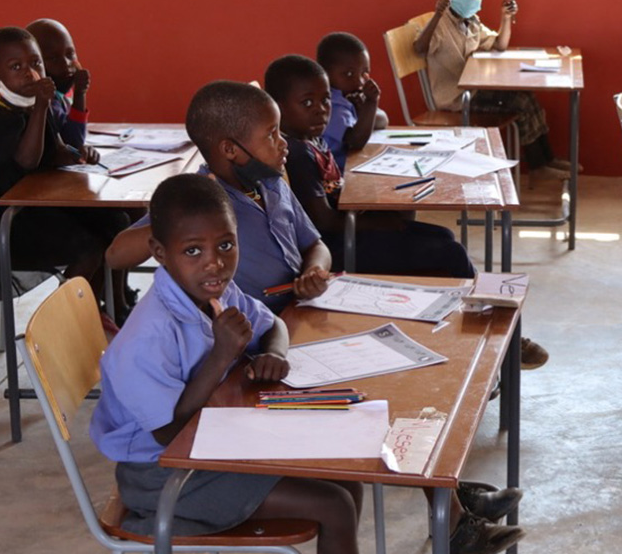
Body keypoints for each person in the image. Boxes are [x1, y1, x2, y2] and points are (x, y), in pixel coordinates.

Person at [90, 174, 364, 554]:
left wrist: (273, 353)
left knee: (347, 478)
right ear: (159, 251)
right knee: (334, 504)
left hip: (213, 444)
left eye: (225, 245)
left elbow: (274, 325)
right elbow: (169, 434)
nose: (214, 264)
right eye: (193, 251)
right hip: (163, 476)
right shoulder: (146, 338)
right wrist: (221, 355)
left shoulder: (214, 291)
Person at [0, 26, 129, 326]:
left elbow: (54, 151)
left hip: (34, 208)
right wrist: (41, 107)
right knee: (88, 248)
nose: (29, 73)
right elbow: (27, 160)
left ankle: (104, 307)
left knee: (115, 222)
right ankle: (66, 324)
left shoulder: (37, 110)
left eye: (36, 64)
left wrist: (78, 153)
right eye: (16, 67)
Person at [105, 81, 332, 313]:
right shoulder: (200, 199)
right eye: (271, 135)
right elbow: (116, 256)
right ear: (230, 150)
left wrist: (313, 270)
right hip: (248, 327)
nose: (284, 143)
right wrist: (178, 222)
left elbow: (315, 244)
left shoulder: (272, 183)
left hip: (300, 309)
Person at [264, 54, 476, 279]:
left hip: (349, 231)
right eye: (307, 102)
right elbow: (325, 221)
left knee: (444, 235)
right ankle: (479, 308)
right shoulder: (295, 154)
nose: (320, 110)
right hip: (334, 248)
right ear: (277, 108)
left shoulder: (311, 138)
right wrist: (382, 223)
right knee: (453, 253)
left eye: (325, 100)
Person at [413, 0, 571, 182]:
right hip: (457, 99)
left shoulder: (472, 22)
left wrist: (505, 18)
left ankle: (547, 158)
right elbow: (420, 49)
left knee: (527, 97)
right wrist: (438, 14)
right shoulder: (438, 23)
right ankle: (537, 167)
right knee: (521, 102)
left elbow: (499, 44)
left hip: (473, 89)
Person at [317, 32, 389, 171]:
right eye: (348, 74)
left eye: (364, 73)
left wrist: (364, 109)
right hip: (336, 179)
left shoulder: (347, 97)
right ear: (325, 73)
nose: (359, 82)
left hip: (351, 167)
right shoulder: (331, 104)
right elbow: (356, 141)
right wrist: (371, 103)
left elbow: (382, 121)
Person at [26, 18, 90, 151]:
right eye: (53, 58)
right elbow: (73, 141)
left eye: (70, 54)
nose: (66, 64)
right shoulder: (44, 100)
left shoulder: (60, 91)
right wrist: (80, 94)